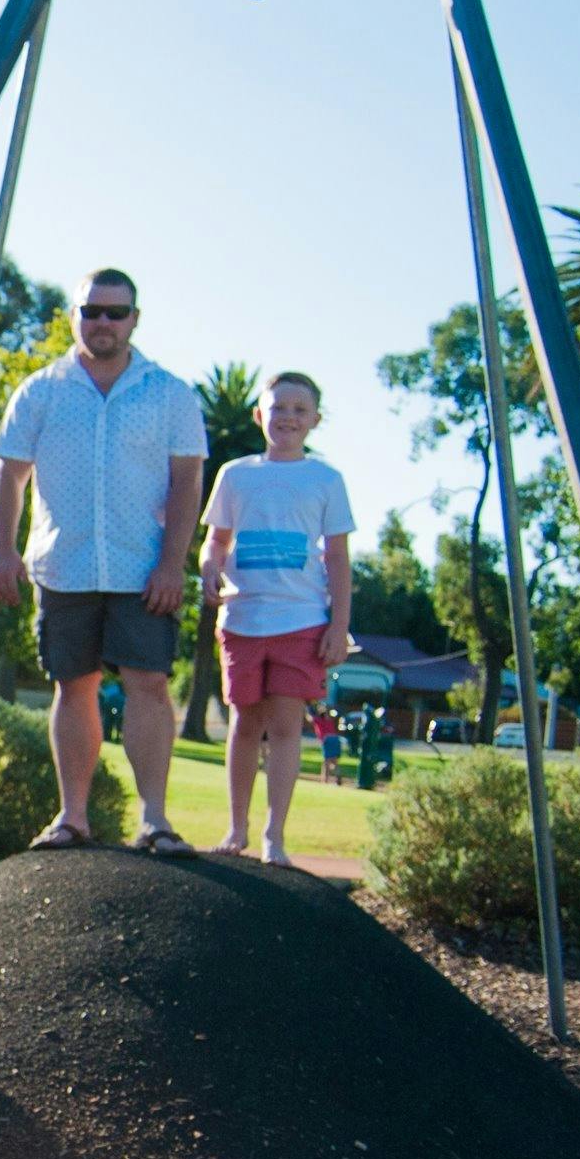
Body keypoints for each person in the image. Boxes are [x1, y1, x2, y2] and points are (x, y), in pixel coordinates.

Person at [0, 270, 208, 854]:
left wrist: (173, 563)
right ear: (74, 316)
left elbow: (188, 482)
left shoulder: (169, 393)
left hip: (144, 568)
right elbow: (7, 475)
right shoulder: (39, 391)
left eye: (115, 312)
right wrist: (2, 549)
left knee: (149, 684)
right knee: (72, 685)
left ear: (135, 319)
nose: (103, 322)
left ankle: (154, 820)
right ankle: (73, 817)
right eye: (91, 311)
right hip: (64, 564)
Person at [200, 371, 355, 866]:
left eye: (299, 409)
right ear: (258, 415)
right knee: (244, 722)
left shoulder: (326, 480)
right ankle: (236, 829)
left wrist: (338, 626)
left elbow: (338, 558)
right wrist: (209, 566)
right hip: (241, 620)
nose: (288, 417)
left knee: (287, 725)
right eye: (278, 407)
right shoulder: (235, 475)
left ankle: (275, 837)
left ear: (315, 419)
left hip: (302, 621)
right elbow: (216, 540)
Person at [312, 703, 344, 783]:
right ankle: (338, 775)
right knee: (334, 761)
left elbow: (310, 718)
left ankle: (325, 780)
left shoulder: (318, 719)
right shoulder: (331, 719)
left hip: (328, 739)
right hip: (336, 739)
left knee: (326, 761)